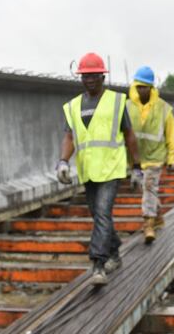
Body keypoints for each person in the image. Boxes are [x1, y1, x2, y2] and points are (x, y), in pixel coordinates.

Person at [56, 52, 141, 286]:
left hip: (111, 168)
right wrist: (63, 161)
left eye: (94, 75)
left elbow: (130, 136)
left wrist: (137, 167)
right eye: (85, 76)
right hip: (88, 170)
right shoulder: (73, 106)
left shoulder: (116, 101)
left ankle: (98, 264)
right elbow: (69, 137)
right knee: (98, 215)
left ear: (102, 76)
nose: (89, 79)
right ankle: (114, 250)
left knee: (102, 213)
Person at [127, 66, 174, 244]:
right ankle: (158, 216)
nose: (141, 90)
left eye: (145, 86)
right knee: (147, 189)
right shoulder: (127, 107)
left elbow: (171, 136)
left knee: (148, 188)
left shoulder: (164, 109)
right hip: (136, 159)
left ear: (151, 87)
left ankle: (148, 224)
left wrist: (173, 158)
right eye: (139, 86)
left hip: (155, 157)